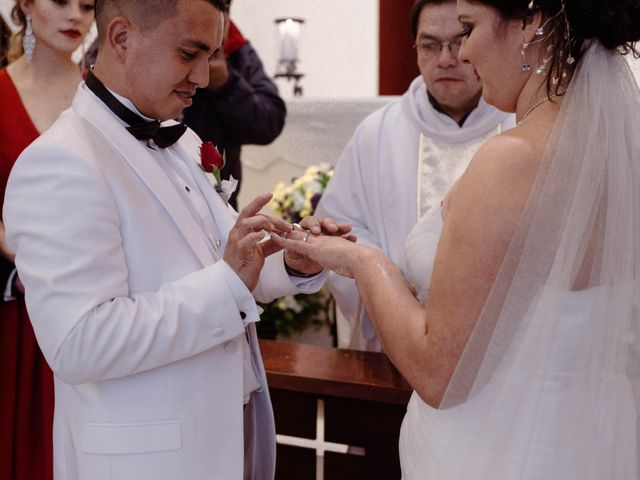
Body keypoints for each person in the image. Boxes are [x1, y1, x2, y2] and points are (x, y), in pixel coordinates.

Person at [275, 0, 640, 477]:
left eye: (469, 29)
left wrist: (363, 262)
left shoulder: (511, 159)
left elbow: (438, 374)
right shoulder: (622, 149)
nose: (463, 52)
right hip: (594, 437)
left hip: (497, 446)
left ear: (531, 24)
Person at [3, 1, 349, 479]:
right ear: (121, 38)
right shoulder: (61, 162)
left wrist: (292, 263)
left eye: (209, 56)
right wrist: (228, 285)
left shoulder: (182, 139)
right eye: (189, 54)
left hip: (224, 437)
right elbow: (80, 342)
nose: (203, 78)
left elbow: (227, 265)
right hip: (145, 461)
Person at [315, 0, 514, 351]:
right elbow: (340, 228)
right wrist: (388, 283)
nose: (446, 59)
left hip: (503, 345)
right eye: (430, 45)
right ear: (416, 50)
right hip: (398, 344)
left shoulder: (519, 124)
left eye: (459, 41)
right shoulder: (377, 132)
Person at [0, 2, 94, 480]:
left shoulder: (103, 100)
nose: (74, 14)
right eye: (60, 0)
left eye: (89, 5)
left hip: (95, 314)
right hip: (13, 318)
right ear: (26, 5)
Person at [183, 0, 286, 209]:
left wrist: (227, 85)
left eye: (224, 9)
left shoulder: (236, 50)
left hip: (218, 201)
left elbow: (269, 122)